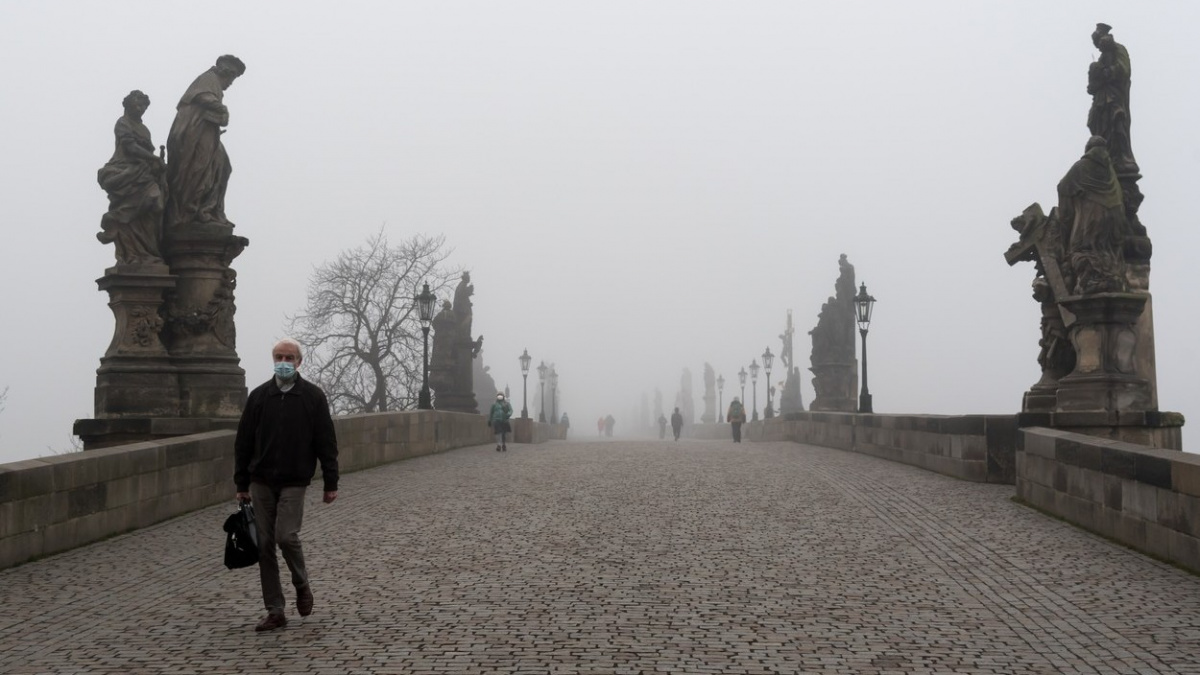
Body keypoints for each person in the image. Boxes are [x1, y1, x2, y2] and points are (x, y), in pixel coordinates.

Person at [234, 338, 339, 632]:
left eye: (289, 357)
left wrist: (331, 481)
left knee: (285, 535)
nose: (284, 361)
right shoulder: (259, 397)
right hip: (261, 480)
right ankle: (275, 610)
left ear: (299, 362)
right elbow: (242, 443)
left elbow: (326, 442)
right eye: (280, 356)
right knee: (264, 544)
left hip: (295, 479)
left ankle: (301, 583)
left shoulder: (313, 397)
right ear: (273, 360)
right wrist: (241, 482)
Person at [166, 54, 246, 230]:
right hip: (195, 134)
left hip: (208, 133)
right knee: (198, 168)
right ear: (226, 72)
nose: (231, 83)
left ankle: (210, 210)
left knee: (223, 167)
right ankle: (190, 211)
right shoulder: (208, 78)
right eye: (232, 77)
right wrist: (222, 109)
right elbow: (202, 96)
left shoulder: (215, 85)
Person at [97, 90, 167, 265]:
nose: (141, 108)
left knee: (157, 205)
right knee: (134, 213)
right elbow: (130, 148)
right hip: (126, 171)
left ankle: (147, 252)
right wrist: (153, 158)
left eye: (144, 105)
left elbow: (147, 151)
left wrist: (157, 163)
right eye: (138, 103)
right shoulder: (123, 123)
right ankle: (132, 254)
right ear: (128, 104)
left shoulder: (144, 129)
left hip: (144, 173)